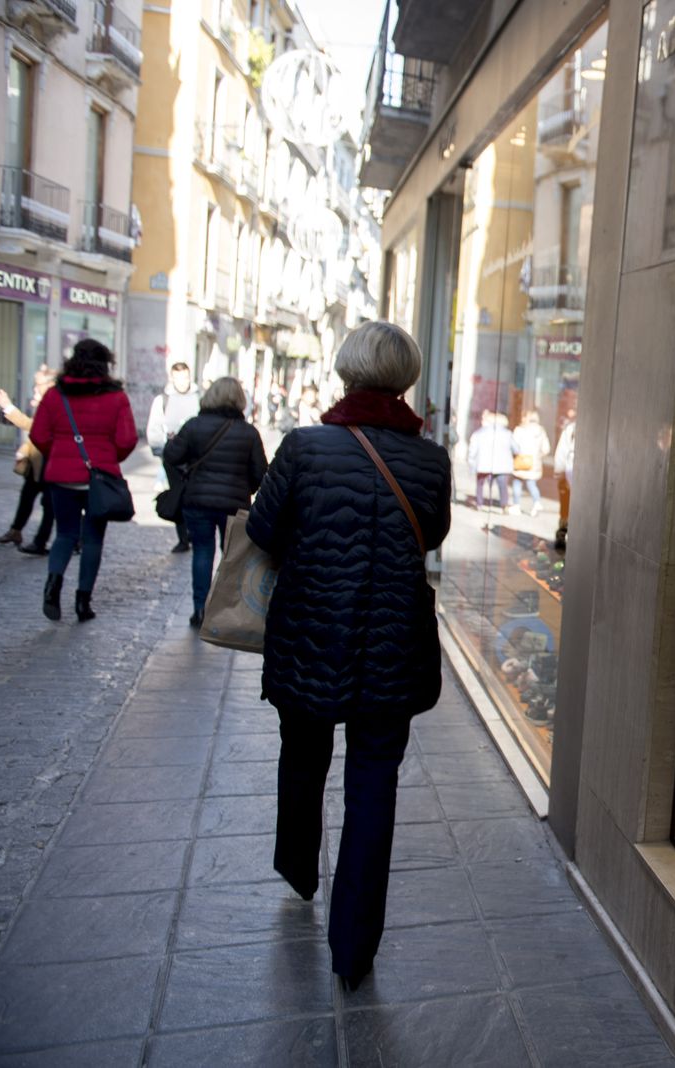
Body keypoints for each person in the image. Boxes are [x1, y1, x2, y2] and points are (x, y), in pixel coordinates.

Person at [247, 321, 451, 990]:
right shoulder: (431, 459)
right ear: (407, 378)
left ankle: (298, 869)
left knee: (303, 756)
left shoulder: (305, 446)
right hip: (393, 643)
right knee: (373, 786)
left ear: (346, 370)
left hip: (310, 632)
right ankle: (354, 950)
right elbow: (432, 535)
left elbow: (263, 529)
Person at [27, 339, 137, 623]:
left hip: (61, 477)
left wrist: (58, 455)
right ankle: (82, 602)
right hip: (98, 477)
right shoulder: (116, 397)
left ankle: (53, 585)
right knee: (93, 540)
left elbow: (38, 434)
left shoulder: (55, 395)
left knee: (64, 534)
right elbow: (127, 440)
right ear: (105, 364)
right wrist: (109, 458)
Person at [164, 376, 268, 628]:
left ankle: (200, 608)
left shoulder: (194, 426)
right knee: (231, 556)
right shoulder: (248, 433)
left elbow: (172, 455)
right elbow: (260, 472)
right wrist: (246, 489)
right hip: (234, 503)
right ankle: (225, 611)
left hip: (198, 500)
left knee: (202, 551)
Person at [0, 369, 58, 555]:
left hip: (51, 465)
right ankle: (16, 531)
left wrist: (9, 408)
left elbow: (34, 427)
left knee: (49, 505)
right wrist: (24, 449)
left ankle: (42, 542)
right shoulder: (45, 403)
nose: (35, 389)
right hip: (37, 464)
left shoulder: (55, 404)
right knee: (27, 497)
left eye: (38, 385)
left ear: (50, 385)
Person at [147, 361, 203, 552]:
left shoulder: (199, 398)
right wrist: (162, 453)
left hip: (196, 459)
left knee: (195, 497)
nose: (182, 381)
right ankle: (183, 538)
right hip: (173, 458)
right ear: (172, 378)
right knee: (178, 496)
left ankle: (193, 533)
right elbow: (154, 428)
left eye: (185, 377)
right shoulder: (163, 400)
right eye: (178, 378)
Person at [467, 410, 514, 510]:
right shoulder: (508, 434)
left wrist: (471, 463)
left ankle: (479, 504)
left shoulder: (479, 433)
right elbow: (516, 448)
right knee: (502, 485)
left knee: (480, 484)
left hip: (483, 464)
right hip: (502, 465)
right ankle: (504, 505)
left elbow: (472, 450)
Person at [509, 409, 552, 516]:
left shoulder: (520, 429)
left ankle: (516, 506)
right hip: (534, 462)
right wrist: (538, 456)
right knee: (532, 484)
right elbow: (546, 449)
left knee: (517, 482)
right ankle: (536, 503)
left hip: (521, 460)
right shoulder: (541, 431)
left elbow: (513, 446)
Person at [553, 407, 575, 548]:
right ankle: (562, 535)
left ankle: (563, 535)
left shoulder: (571, 428)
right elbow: (562, 453)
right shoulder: (571, 429)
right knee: (566, 507)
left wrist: (559, 471)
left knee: (566, 508)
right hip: (568, 476)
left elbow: (561, 453)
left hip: (569, 475)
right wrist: (560, 472)